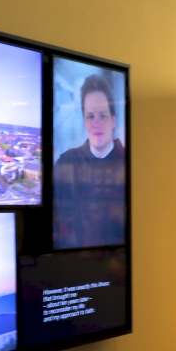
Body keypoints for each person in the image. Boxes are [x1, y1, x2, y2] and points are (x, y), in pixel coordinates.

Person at [53, 72, 125, 248]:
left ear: (113, 120)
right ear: (84, 122)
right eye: (90, 116)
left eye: (102, 115)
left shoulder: (129, 165)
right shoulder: (65, 164)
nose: (96, 123)